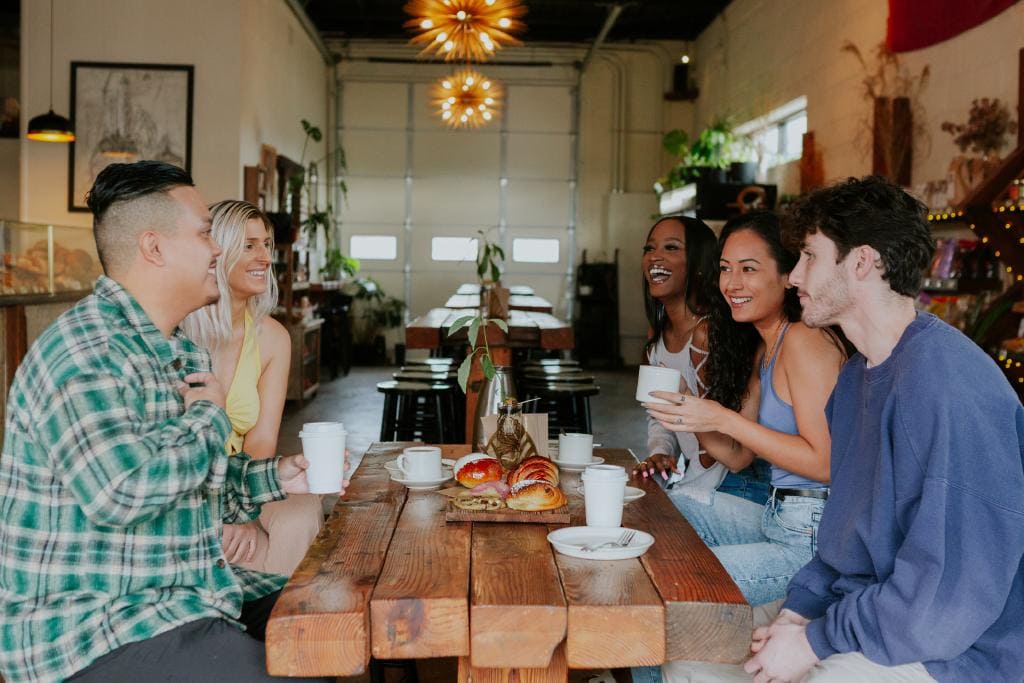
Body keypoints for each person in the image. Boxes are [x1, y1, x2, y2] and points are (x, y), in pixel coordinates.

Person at [0, 161, 337, 682]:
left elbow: (186, 482)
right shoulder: (89, 353)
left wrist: (272, 478)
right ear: (154, 248)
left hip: (179, 595)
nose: (218, 249)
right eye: (206, 233)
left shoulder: (174, 348)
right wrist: (210, 415)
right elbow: (123, 490)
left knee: (324, 619)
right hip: (95, 628)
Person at [731, 176, 1024, 682]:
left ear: (862, 261)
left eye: (810, 256)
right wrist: (799, 613)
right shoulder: (855, 378)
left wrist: (815, 641)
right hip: (870, 617)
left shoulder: (947, 384)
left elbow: (944, 604)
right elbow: (844, 538)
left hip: (956, 654)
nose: (795, 275)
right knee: (698, 646)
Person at [645, 211, 845, 608]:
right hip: (778, 514)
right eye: (725, 269)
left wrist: (722, 417)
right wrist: (690, 412)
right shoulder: (763, 345)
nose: (732, 284)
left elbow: (825, 463)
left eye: (748, 269)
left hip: (813, 538)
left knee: (666, 582)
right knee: (652, 513)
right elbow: (738, 457)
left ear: (788, 275)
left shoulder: (806, 340)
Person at [181, 200, 323, 577]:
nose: (264, 256)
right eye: (248, 245)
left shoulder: (273, 338)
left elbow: (261, 445)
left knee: (304, 507)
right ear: (217, 250)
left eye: (266, 245)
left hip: (241, 477)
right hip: (184, 482)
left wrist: (240, 512)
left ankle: (282, 623)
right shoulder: (177, 330)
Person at [632, 215, 771, 505]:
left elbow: (721, 446)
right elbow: (660, 416)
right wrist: (661, 452)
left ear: (698, 264)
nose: (655, 257)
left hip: (732, 485)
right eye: (649, 248)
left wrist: (685, 495)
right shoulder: (656, 341)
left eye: (671, 248)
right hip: (699, 480)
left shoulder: (707, 334)